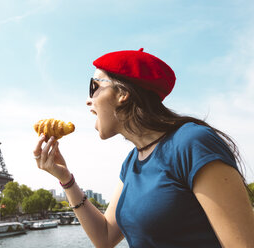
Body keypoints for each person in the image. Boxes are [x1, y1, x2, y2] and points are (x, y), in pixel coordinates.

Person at [33, 48, 254, 247]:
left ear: (122, 94)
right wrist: (65, 178)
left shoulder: (193, 143)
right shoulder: (132, 161)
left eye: (95, 87)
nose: (89, 100)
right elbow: (105, 236)